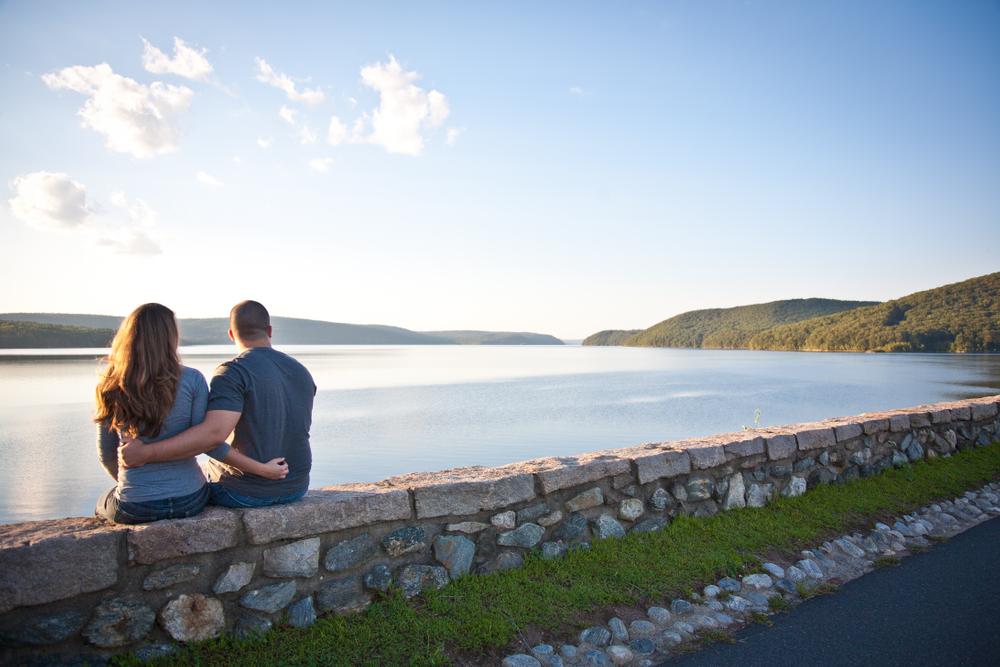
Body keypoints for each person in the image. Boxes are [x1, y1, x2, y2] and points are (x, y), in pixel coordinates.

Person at [95, 303, 288, 524]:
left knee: (103, 502)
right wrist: (261, 469)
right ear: (171, 337)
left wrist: (140, 485)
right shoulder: (192, 380)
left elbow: (107, 456)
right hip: (191, 499)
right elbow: (207, 443)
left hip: (136, 505)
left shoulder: (110, 384)